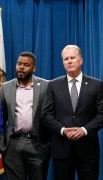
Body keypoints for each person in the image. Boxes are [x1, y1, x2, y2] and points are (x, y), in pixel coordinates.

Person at [41, 45, 103, 180]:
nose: (69, 61)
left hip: (88, 150)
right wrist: (62, 130)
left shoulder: (96, 85)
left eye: (72, 58)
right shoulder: (53, 85)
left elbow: (101, 115)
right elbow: (46, 115)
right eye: (66, 59)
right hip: (62, 149)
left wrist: (84, 130)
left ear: (81, 60)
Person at [0, 52, 50, 180]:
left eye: (26, 65)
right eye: (19, 64)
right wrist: (2, 142)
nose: (21, 67)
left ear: (34, 68)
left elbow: (51, 115)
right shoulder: (5, 87)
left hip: (38, 144)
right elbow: (0, 118)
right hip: (13, 144)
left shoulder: (46, 86)